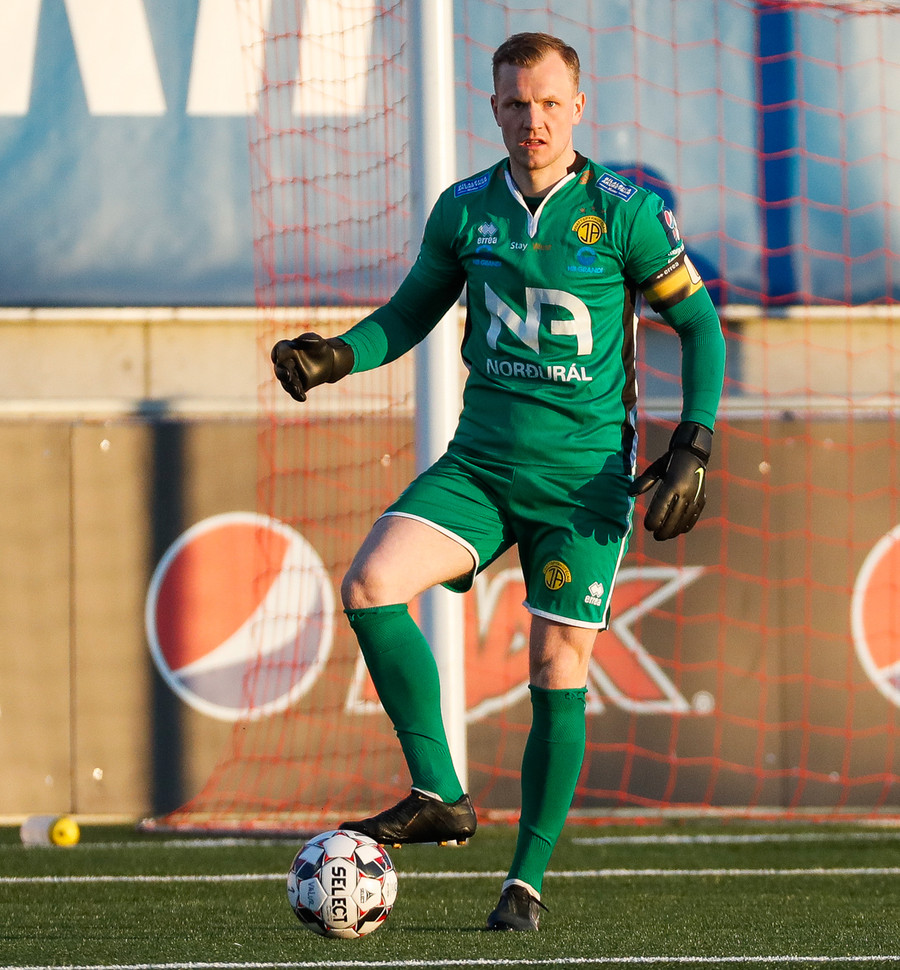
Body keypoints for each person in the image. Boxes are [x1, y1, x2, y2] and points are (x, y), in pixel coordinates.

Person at [272, 32, 725, 931]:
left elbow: (701, 328)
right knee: (369, 584)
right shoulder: (464, 208)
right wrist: (338, 356)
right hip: (478, 466)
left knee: (556, 664)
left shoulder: (626, 213)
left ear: (578, 107)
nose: (534, 120)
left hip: (582, 483)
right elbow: (412, 310)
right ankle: (440, 793)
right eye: (517, 104)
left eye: (550, 103)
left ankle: (525, 882)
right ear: (494, 109)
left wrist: (695, 442)